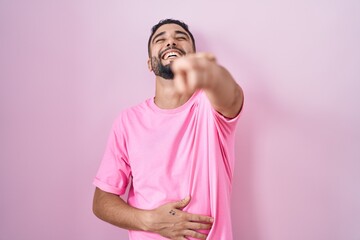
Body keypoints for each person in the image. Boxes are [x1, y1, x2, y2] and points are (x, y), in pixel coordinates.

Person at [92, 19, 244, 240]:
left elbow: (231, 96)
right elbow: (101, 202)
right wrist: (151, 221)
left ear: (193, 56)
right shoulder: (127, 121)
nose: (171, 41)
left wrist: (211, 74)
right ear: (150, 64)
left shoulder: (210, 107)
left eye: (180, 37)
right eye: (160, 39)